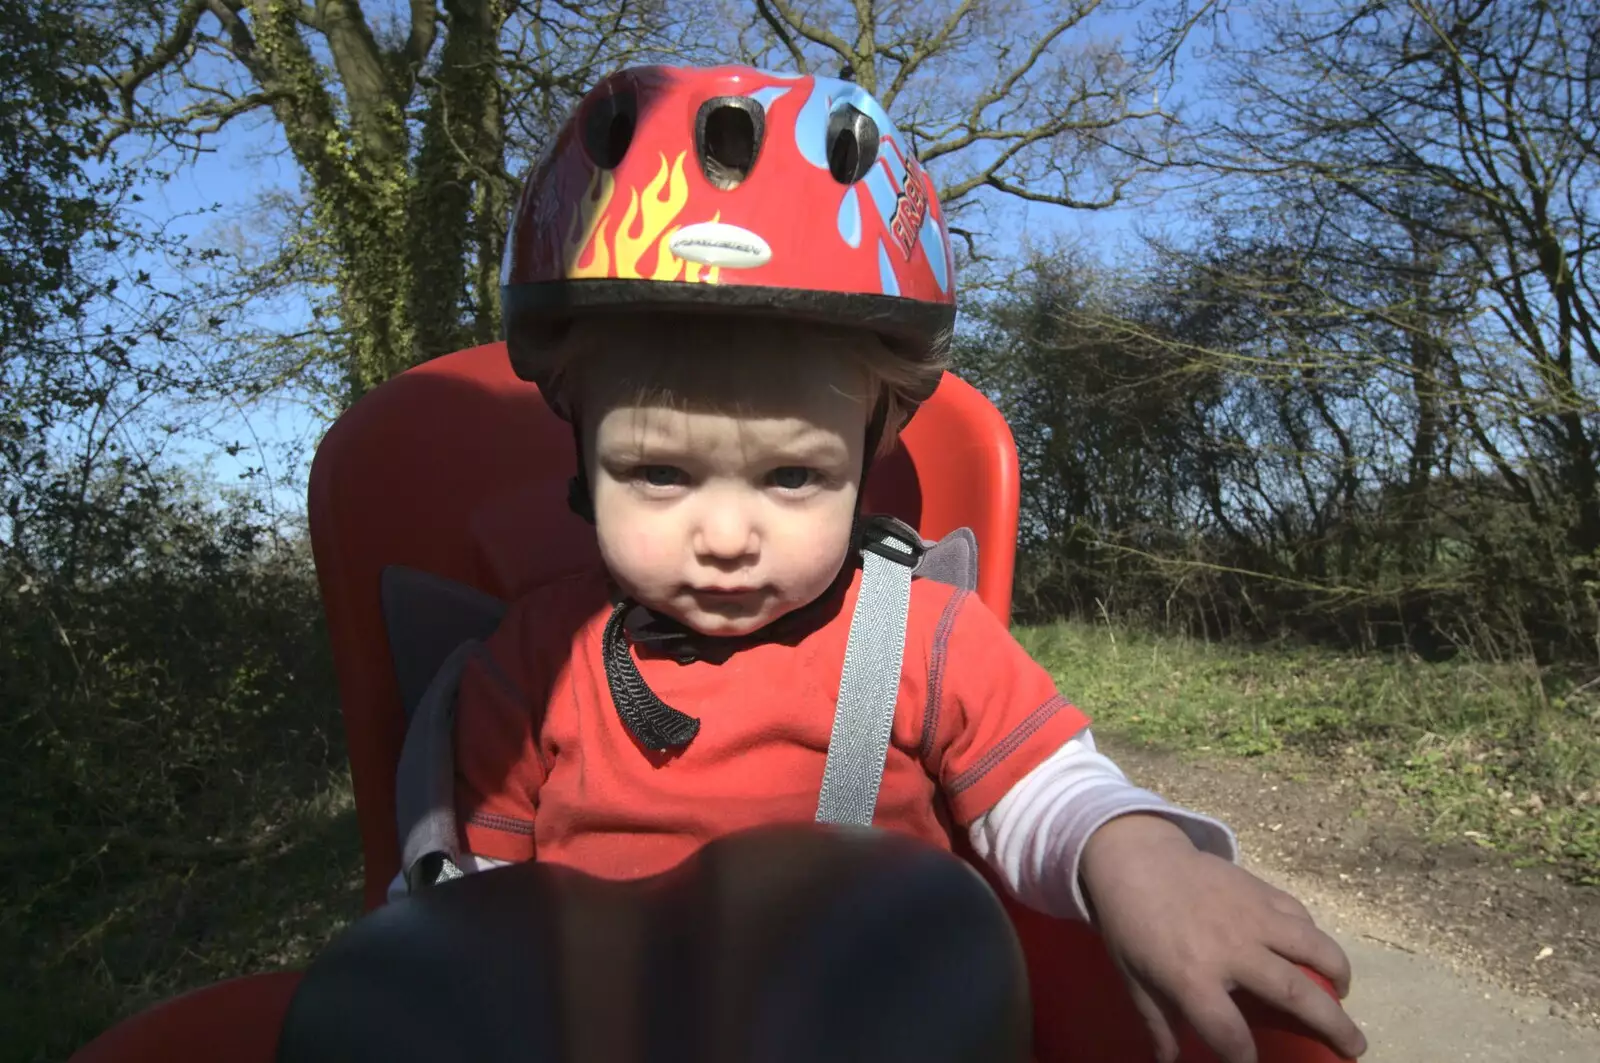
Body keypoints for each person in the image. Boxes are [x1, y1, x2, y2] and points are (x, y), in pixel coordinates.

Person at [412, 64, 1368, 1063]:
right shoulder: (534, 664)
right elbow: (464, 909)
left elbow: (1045, 788)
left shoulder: (920, 638)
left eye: (792, 476)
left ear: (866, 461)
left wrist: (1131, 855)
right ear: (578, 451)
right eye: (657, 473)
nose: (728, 536)